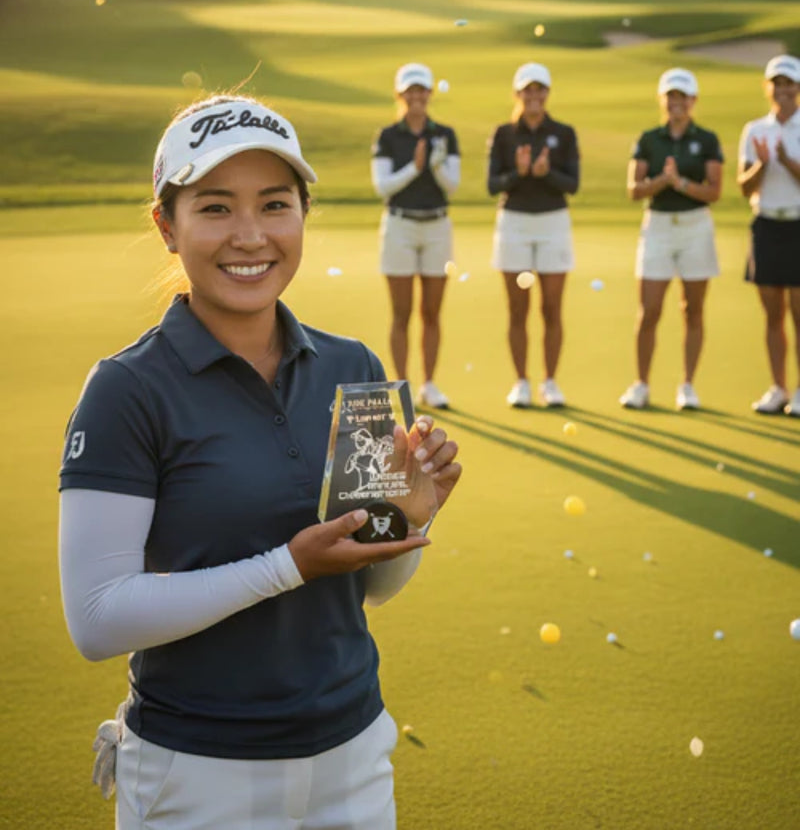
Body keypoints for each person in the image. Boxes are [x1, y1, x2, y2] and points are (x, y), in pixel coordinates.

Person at [58, 94, 462, 830]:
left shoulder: (353, 364)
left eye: (275, 204)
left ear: (303, 214)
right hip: (197, 774)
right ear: (166, 227)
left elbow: (372, 585)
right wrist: (289, 566)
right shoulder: (126, 389)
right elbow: (96, 618)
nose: (250, 236)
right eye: (215, 208)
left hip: (354, 756)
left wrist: (412, 515)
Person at [620, 68, 723, 411]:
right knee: (649, 310)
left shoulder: (707, 139)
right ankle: (641, 384)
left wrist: (679, 184)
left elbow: (714, 191)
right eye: (671, 96)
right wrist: (662, 182)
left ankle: (688, 385)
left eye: (683, 96)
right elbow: (634, 190)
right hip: (658, 226)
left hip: (696, 226)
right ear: (663, 100)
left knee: (692, 309)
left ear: (692, 101)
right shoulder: (649, 139)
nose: (676, 102)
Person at [488, 62, 580, 408]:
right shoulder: (504, 134)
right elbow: (492, 184)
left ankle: (551, 382)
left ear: (547, 93)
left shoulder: (564, 133)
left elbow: (572, 184)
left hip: (553, 221)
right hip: (514, 222)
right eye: (528, 90)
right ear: (518, 94)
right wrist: (520, 172)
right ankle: (522, 382)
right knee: (517, 308)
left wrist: (546, 173)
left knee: (552, 307)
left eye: (539, 89)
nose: (534, 96)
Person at [371, 63, 460, 409]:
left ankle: (430, 384)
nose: (417, 96)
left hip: (437, 225)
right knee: (401, 311)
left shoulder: (445, 135)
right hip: (400, 225)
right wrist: (416, 167)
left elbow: (452, 185)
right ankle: (403, 385)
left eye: (422, 90)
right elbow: (383, 186)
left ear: (429, 93)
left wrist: (436, 165)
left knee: (432, 311)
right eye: (410, 91)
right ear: (400, 95)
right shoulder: (388, 136)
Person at [738, 54, 800, 417]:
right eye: (777, 83)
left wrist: (786, 159)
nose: (783, 90)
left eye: (789, 83)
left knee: (799, 311)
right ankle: (778, 388)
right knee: (772, 313)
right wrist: (763, 164)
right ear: (769, 88)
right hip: (766, 225)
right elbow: (744, 188)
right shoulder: (755, 130)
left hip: (798, 223)